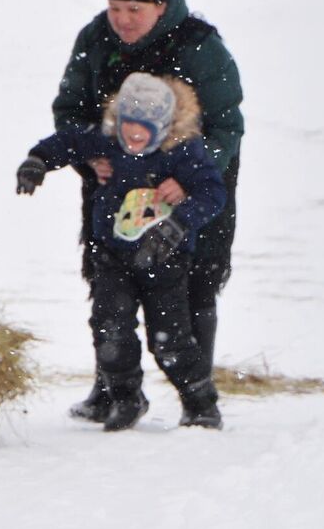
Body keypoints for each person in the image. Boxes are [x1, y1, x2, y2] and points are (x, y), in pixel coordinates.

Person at [51, 0, 243, 422]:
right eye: (115, 8)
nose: (122, 20)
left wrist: (190, 175)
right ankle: (112, 389)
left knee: (195, 281)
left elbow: (227, 127)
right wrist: (90, 157)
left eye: (134, 10)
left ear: (160, 4)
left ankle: (197, 398)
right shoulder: (96, 37)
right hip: (116, 183)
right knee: (109, 283)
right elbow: (70, 109)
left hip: (191, 184)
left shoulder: (199, 45)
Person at [18, 73, 227, 431]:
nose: (133, 134)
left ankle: (200, 402)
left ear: (163, 125)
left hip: (164, 258)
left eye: (144, 127)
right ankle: (127, 397)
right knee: (109, 330)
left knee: (170, 338)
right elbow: (68, 142)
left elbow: (212, 193)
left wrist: (179, 223)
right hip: (113, 255)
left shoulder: (182, 150)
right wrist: (38, 161)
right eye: (128, 123)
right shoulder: (108, 140)